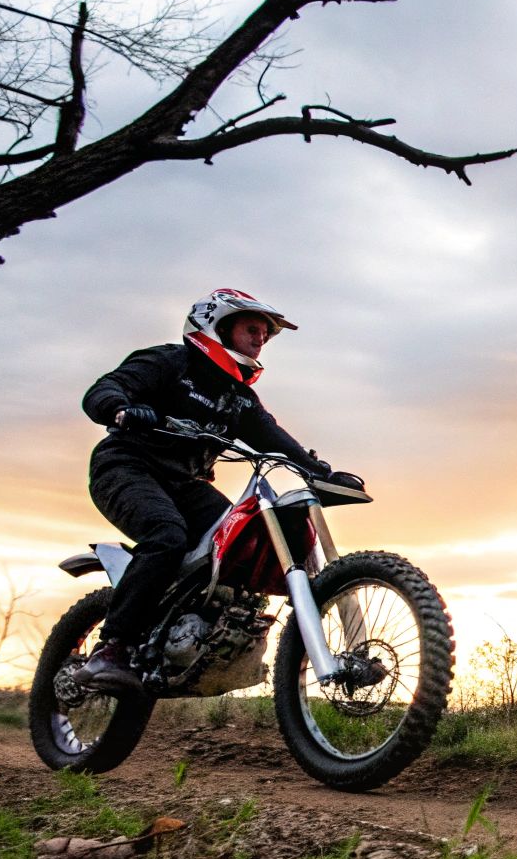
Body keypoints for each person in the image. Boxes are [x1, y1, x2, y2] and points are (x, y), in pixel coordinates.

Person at [76, 289, 335, 694]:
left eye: (265, 335)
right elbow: (103, 391)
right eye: (252, 329)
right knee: (167, 535)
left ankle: (202, 630)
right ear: (216, 325)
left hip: (185, 484)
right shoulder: (168, 362)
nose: (260, 339)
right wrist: (121, 408)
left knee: (238, 540)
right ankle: (112, 649)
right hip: (127, 466)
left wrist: (320, 471)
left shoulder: (238, 398)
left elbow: (275, 439)